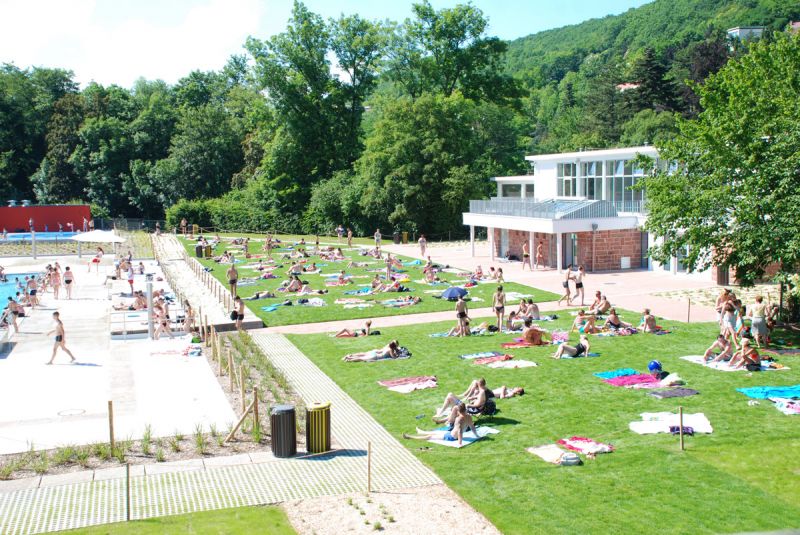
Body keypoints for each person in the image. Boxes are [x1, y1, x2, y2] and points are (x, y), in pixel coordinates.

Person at [404, 404, 477, 447]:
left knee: (430, 437)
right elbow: (472, 426)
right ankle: (421, 431)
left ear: (459, 411)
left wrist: (460, 443)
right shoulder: (469, 417)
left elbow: (460, 431)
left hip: (451, 437)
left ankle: (411, 437)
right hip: (451, 434)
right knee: (436, 432)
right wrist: (476, 435)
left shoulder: (459, 419)